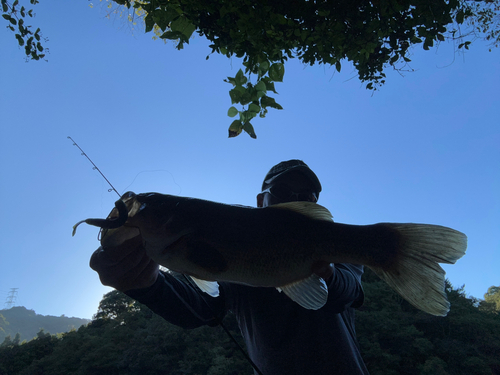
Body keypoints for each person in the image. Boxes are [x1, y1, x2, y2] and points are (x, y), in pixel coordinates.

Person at [90, 160, 369, 374]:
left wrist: (326, 273)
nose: (296, 198)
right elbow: (200, 310)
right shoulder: (232, 248)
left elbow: (346, 293)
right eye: (283, 191)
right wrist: (147, 286)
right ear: (261, 202)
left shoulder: (336, 245)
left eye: (308, 195)